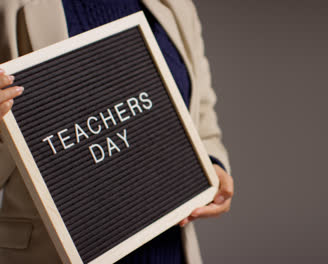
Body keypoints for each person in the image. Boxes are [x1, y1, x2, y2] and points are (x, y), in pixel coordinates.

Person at [0, 0, 234, 263]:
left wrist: (211, 165)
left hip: (168, 249)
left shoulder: (178, 5)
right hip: (52, 252)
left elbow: (201, 108)